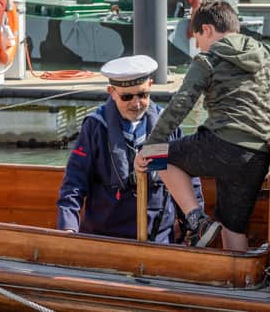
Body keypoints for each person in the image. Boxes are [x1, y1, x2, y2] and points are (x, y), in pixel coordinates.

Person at [134, 0, 270, 251]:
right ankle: (240, 284)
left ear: (207, 30)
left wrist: (149, 147)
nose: (198, 45)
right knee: (233, 227)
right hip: (258, 155)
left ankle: (198, 221)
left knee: (159, 157)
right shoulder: (266, 52)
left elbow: (181, 104)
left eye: (196, 38)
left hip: (220, 145)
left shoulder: (209, 58)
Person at [57, 55, 204, 243]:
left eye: (142, 95)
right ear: (111, 91)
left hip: (158, 238)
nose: (136, 104)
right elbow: (74, 182)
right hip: (105, 238)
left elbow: (190, 180)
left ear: (150, 85)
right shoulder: (95, 126)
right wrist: (67, 228)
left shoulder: (167, 126)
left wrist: (192, 229)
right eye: (127, 97)